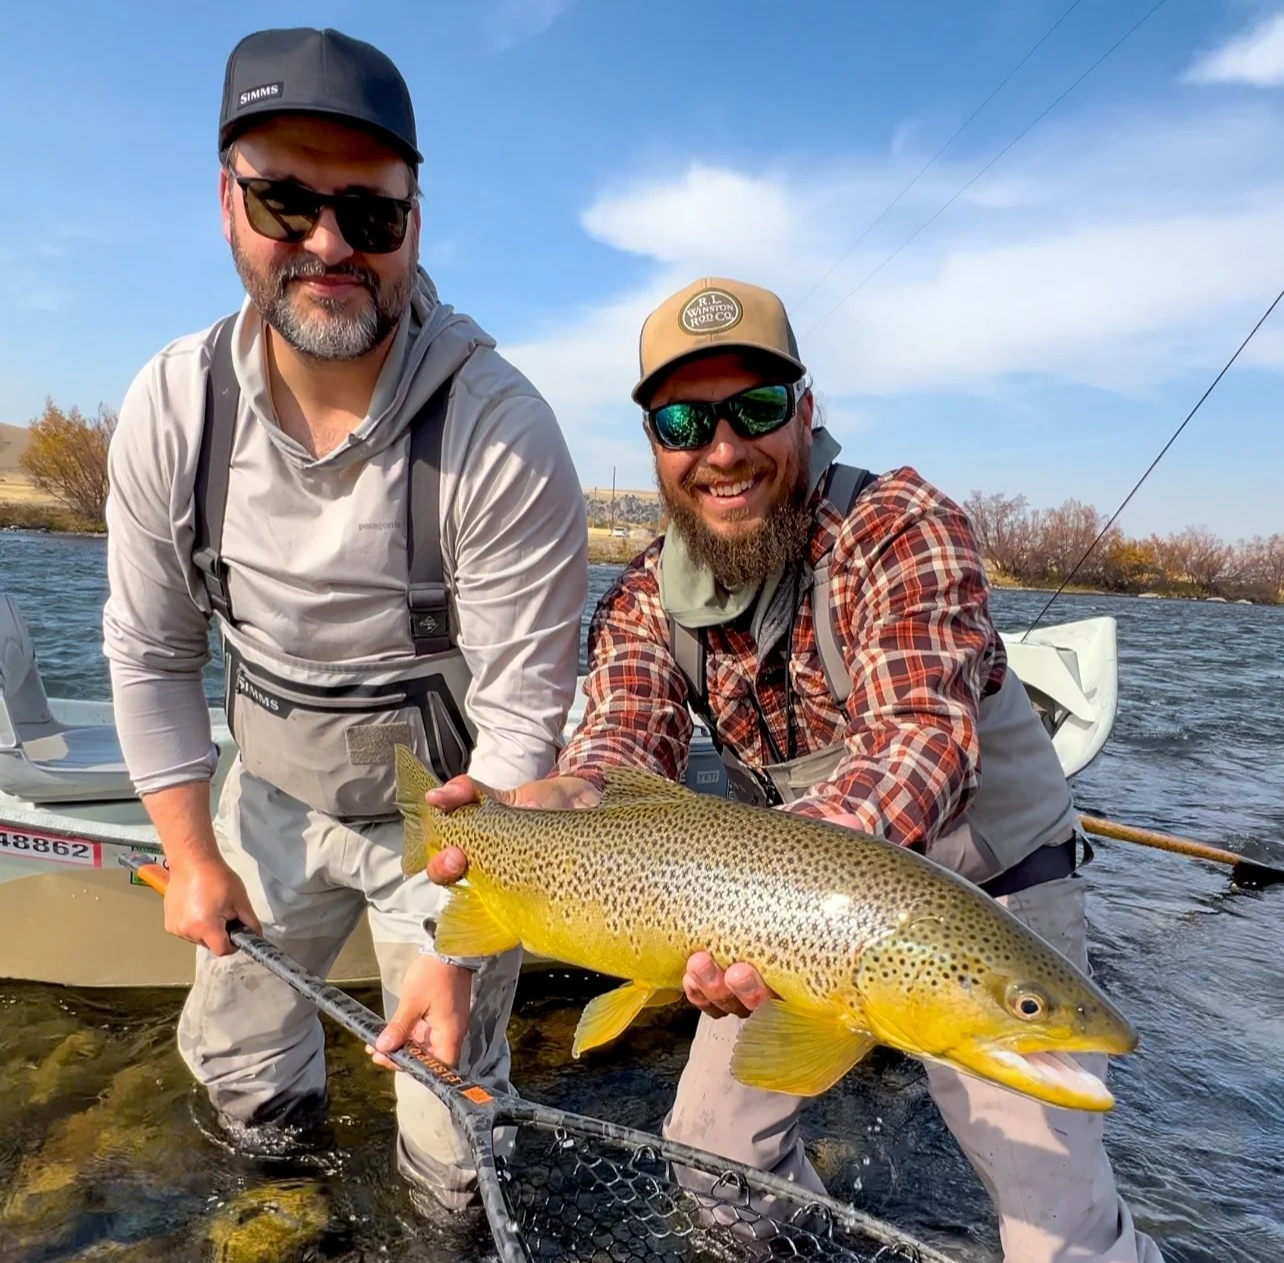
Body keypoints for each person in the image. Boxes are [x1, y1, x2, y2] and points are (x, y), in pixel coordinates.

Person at [375, 277, 1164, 1261]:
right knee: (713, 1162)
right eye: (683, 420)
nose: (724, 449)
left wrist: (779, 892)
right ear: (657, 442)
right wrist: (541, 809)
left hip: (989, 901)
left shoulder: (898, 528)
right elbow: (616, 756)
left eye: (755, 409)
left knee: (1061, 1224)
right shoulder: (639, 602)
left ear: (805, 409)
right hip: (781, 920)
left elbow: (920, 736)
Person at [102, 26, 587, 1217]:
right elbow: (152, 649)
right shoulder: (173, 403)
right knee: (239, 1066)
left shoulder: (502, 429)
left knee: (449, 1111)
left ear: (415, 221)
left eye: (369, 215)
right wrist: (195, 857)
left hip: (459, 828)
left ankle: (444, 1217)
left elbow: (527, 721)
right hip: (263, 796)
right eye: (286, 201)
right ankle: (286, 1214)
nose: (329, 244)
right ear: (227, 203)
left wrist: (464, 952)